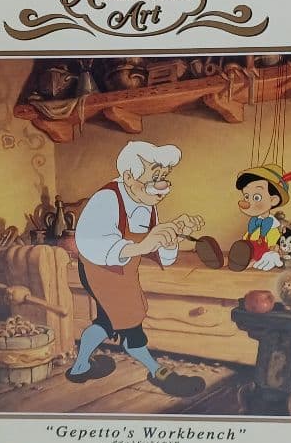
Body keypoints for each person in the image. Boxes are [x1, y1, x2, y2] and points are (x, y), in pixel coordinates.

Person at [68, 141, 206, 397]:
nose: (161, 184)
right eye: (155, 176)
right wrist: (144, 244)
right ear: (129, 177)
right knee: (130, 327)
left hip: (126, 273)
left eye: (164, 176)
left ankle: (80, 367)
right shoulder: (106, 199)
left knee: (106, 322)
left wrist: (173, 235)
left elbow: (154, 246)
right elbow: (92, 242)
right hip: (99, 270)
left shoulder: (146, 200)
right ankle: (160, 373)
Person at [227, 163, 291, 271]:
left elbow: (274, 245)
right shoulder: (254, 222)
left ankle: (238, 263)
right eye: (246, 196)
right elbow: (246, 240)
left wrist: (274, 251)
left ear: (273, 200)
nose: (247, 202)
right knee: (236, 258)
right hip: (249, 254)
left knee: (252, 261)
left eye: (256, 197)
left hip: (261, 258)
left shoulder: (272, 227)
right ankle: (222, 260)